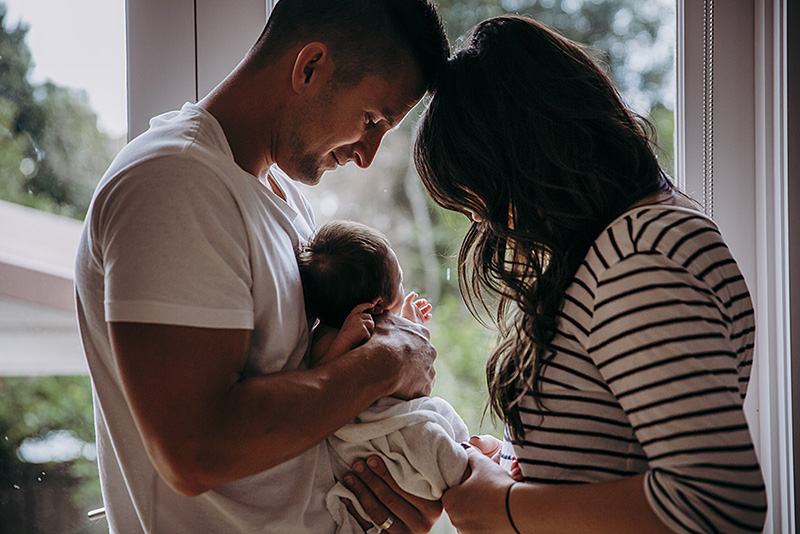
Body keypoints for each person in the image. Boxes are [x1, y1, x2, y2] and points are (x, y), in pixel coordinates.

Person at [73, 1, 450, 532]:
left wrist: (384, 506)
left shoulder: (279, 196)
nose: (367, 154)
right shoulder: (174, 183)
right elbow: (197, 448)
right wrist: (388, 363)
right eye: (371, 120)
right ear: (310, 66)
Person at [412, 15, 768, 534]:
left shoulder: (641, 257)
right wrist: (512, 462)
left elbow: (715, 504)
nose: (498, 229)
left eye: (486, 201)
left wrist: (501, 506)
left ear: (533, 152)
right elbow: (610, 456)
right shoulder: (618, 247)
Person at [296, 220, 470, 533]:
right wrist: (346, 340)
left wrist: (412, 325)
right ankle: (469, 475)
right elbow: (323, 379)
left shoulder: (355, 325)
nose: (403, 288)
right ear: (378, 304)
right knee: (428, 439)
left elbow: (414, 359)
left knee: (440, 416)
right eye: (400, 281)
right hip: (370, 432)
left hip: (389, 418)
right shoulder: (326, 338)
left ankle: (467, 454)